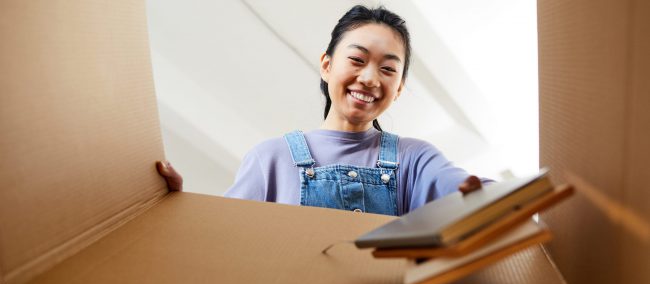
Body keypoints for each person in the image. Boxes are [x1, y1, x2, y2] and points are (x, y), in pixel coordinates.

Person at [157, 5, 486, 216]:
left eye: (388, 69)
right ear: (327, 66)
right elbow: (219, 238)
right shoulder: (270, 158)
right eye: (357, 60)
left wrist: (487, 196)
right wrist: (176, 207)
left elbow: (469, 189)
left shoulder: (414, 160)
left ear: (399, 89)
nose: (369, 78)